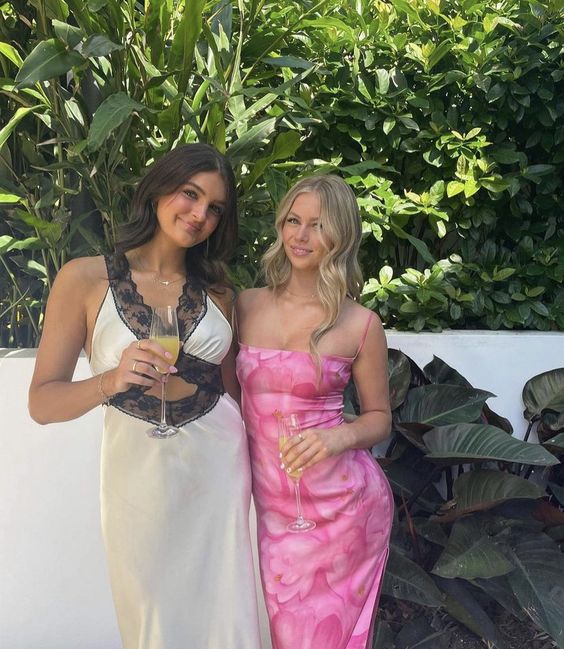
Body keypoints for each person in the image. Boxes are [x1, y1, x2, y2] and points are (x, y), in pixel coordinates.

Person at [28, 143, 262, 649]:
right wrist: (111, 380)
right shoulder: (83, 278)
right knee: (151, 616)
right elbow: (42, 403)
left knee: (224, 613)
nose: (199, 214)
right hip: (136, 472)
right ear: (158, 190)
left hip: (217, 469)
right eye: (190, 194)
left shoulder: (221, 293)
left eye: (214, 208)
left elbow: (235, 392)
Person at [235, 174, 393, 649]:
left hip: (343, 507)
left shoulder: (361, 323)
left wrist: (337, 436)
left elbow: (380, 417)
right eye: (293, 221)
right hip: (276, 511)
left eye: (318, 225)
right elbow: (224, 398)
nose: (300, 236)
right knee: (288, 633)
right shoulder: (246, 305)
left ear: (340, 236)